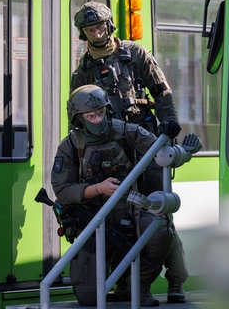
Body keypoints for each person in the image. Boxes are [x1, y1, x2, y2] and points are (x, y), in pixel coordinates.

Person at [70, 1, 189, 303]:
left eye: (100, 26)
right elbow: (77, 114)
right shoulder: (83, 70)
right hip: (110, 154)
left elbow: (162, 91)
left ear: (109, 26)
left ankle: (176, 281)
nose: (96, 33)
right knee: (117, 220)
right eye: (89, 29)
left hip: (146, 146)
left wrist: (170, 123)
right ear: (84, 34)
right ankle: (127, 283)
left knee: (159, 214)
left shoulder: (135, 54)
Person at [51, 85, 180, 307]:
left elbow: (160, 150)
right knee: (89, 298)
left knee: (160, 228)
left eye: (100, 112)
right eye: (90, 115)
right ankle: (122, 285)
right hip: (92, 221)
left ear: (107, 110)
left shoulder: (127, 131)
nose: (97, 119)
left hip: (130, 213)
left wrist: (170, 139)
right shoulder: (71, 145)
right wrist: (98, 189)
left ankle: (138, 287)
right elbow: (62, 189)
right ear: (78, 118)